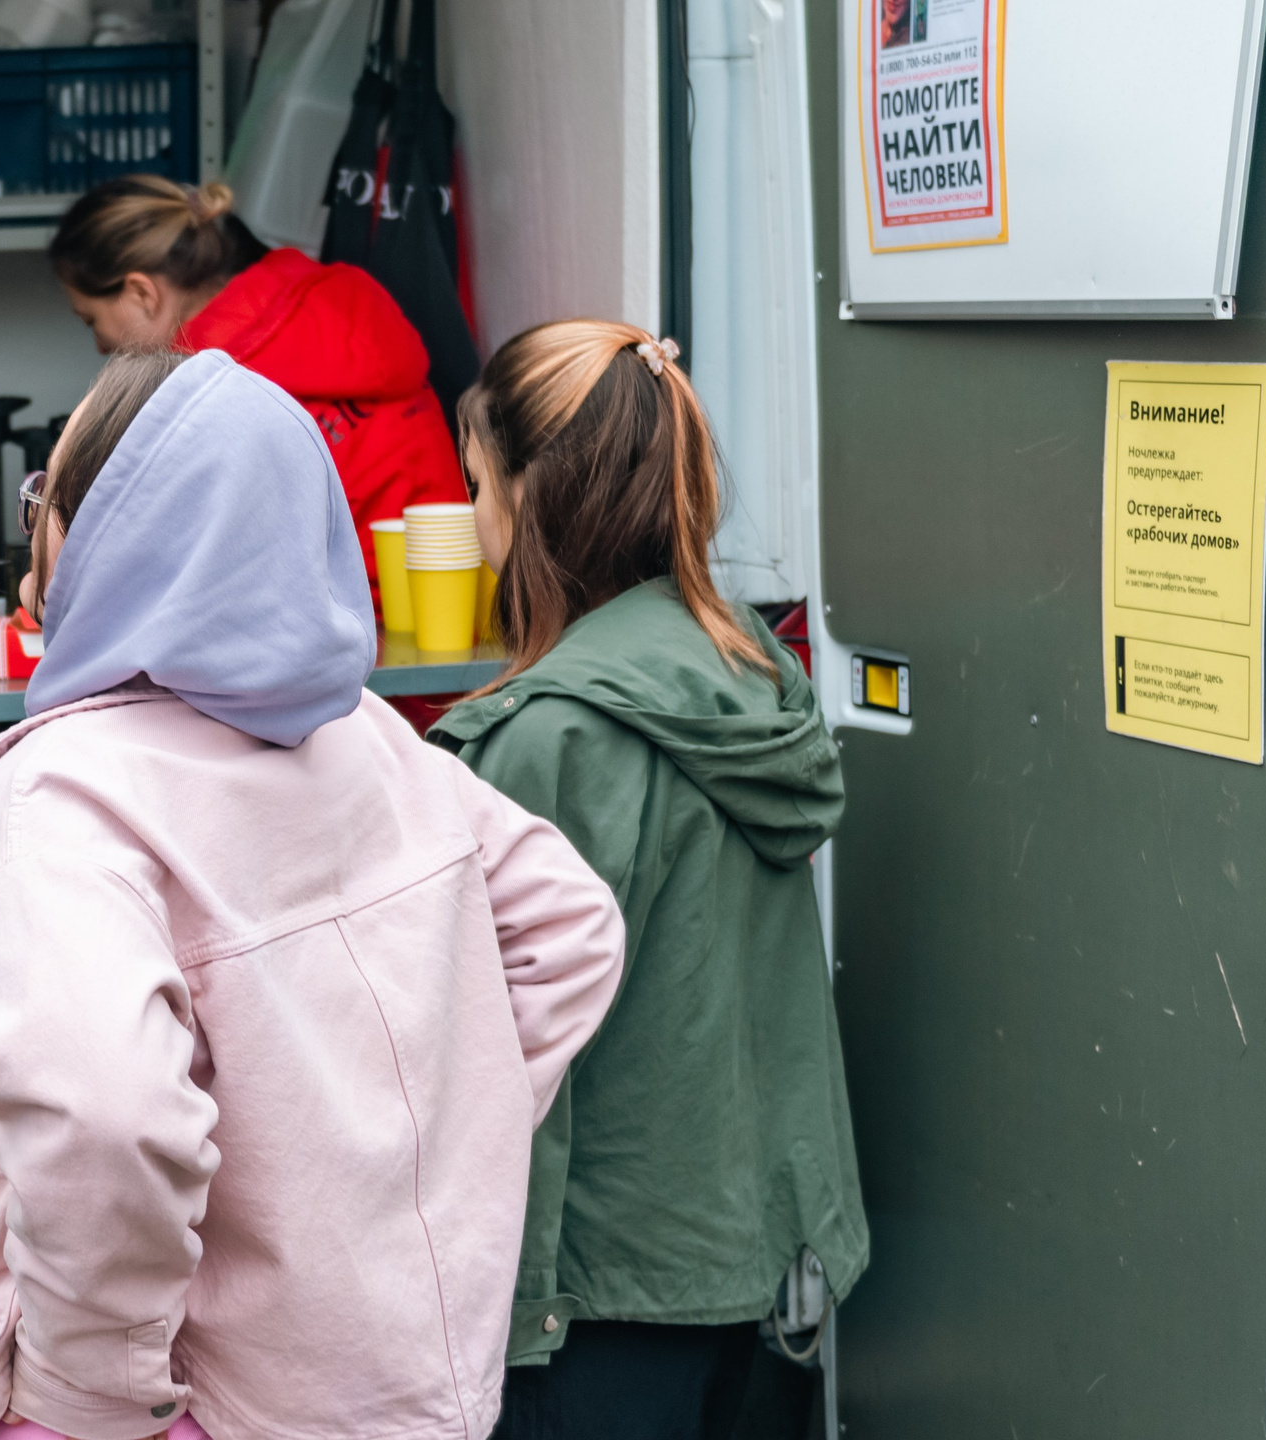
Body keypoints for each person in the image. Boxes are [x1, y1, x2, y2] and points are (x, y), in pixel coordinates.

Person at [0, 348, 628, 1440]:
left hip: (175, 1410)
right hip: (397, 1384)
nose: (36, 519)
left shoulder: (59, 799)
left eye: (51, 494)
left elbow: (106, 1117)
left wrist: (92, 1386)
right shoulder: (369, 738)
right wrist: (393, 1157)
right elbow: (571, 931)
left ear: (117, 535)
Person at [429, 320, 866, 1440]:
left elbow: (487, 1061)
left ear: (531, 499)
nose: (474, 518)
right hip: (759, 1275)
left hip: (594, 1303)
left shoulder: (544, 741)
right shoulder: (750, 677)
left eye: (476, 484)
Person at [47, 175, 467, 593]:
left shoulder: (204, 391)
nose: (101, 346)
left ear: (143, 293)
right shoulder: (336, 301)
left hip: (346, 634)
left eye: (92, 321)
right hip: (454, 602)